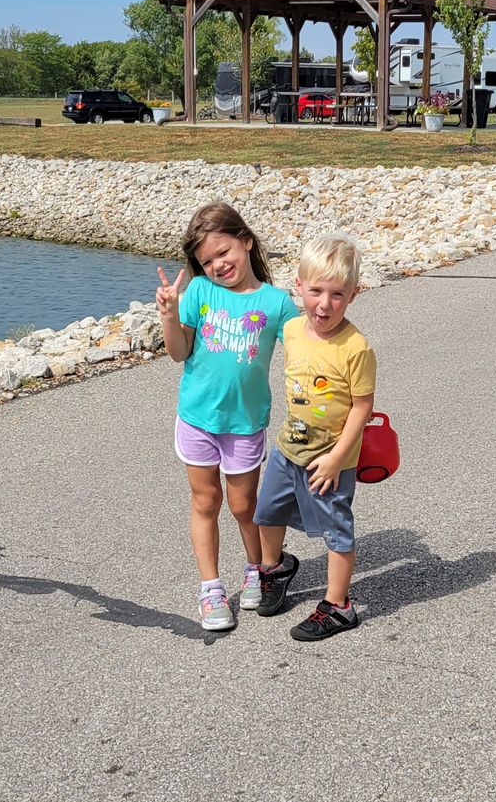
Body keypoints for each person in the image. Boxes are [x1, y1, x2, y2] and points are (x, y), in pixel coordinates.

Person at [155, 202, 303, 632]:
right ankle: (211, 588)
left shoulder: (275, 303)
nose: (218, 265)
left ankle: (258, 569)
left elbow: (304, 350)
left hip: (245, 423)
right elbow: (179, 352)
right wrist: (169, 314)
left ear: (246, 242)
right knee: (206, 501)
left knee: (244, 505)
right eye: (207, 260)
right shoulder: (199, 292)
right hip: (198, 417)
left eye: (224, 252)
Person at [252, 233, 377, 641]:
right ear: (299, 287)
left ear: (354, 295)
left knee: (336, 531)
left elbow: (362, 407)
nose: (324, 304)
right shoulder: (290, 329)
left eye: (337, 294)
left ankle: (339, 606)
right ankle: (276, 568)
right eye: (316, 291)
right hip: (288, 448)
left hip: (330, 460)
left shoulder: (356, 348)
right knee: (266, 512)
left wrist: (338, 458)